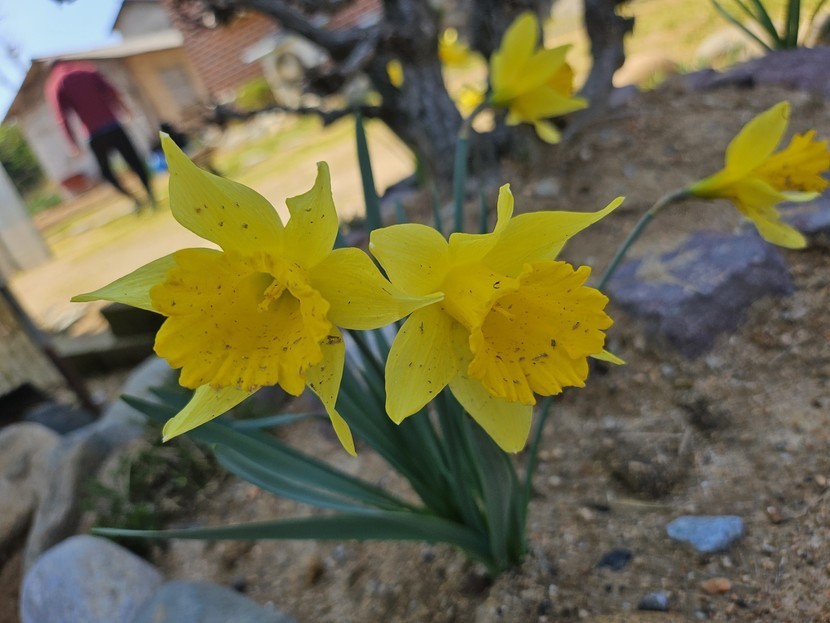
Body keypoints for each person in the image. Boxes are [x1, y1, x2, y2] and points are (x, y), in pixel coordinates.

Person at [45, 59, 155, 211]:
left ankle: (135, 199)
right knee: (134, 161)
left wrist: (73, 144)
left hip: (93, 134)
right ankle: (151, 196)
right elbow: (112, 91)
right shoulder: (86, 71)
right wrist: (125, 110)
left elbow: (62, 118)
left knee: (106, 173)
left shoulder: (57, 83)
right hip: (113, 125)